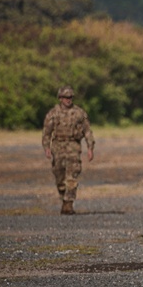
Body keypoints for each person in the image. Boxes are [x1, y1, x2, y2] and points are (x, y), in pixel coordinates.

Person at [42, 85, 95, 215]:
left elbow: (87, 131)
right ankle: (63, 196)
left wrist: (90, 148)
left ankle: (68, 204)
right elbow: (47, 133)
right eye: (66, 97)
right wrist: (47, 148)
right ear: (60, 98)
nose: (68, 100)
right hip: (58, 147)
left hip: (73, 147)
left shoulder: (79, 113)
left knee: (72, 176)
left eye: (70, 97)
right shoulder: (53, 114)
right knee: (59, 176)